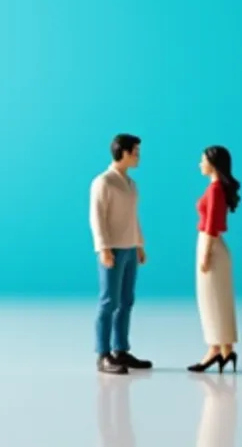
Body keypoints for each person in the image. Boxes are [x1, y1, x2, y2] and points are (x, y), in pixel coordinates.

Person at [89, 133, 153, 374]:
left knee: (126, 300)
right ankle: (103, 353)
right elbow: (97, 218)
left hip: (128, 247)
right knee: (109, 301)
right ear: (123, 153)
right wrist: (104, 248)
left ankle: (121, 350)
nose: (138, 157)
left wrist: (139, 244)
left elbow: (132, 217)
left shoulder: (130, 184)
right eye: (135, 152)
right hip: (113, 249)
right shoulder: (103, 182)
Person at [188, 145, 241, 372]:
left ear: (213, 163)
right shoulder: (216, 189)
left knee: (211, 300)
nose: (200, 164)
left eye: (203, 160)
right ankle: (225, 349)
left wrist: (205, 253)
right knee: (216, 299)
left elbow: (212, 224)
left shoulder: (215, 190)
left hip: (211, 245)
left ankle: (215, 350)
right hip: (211, 244)